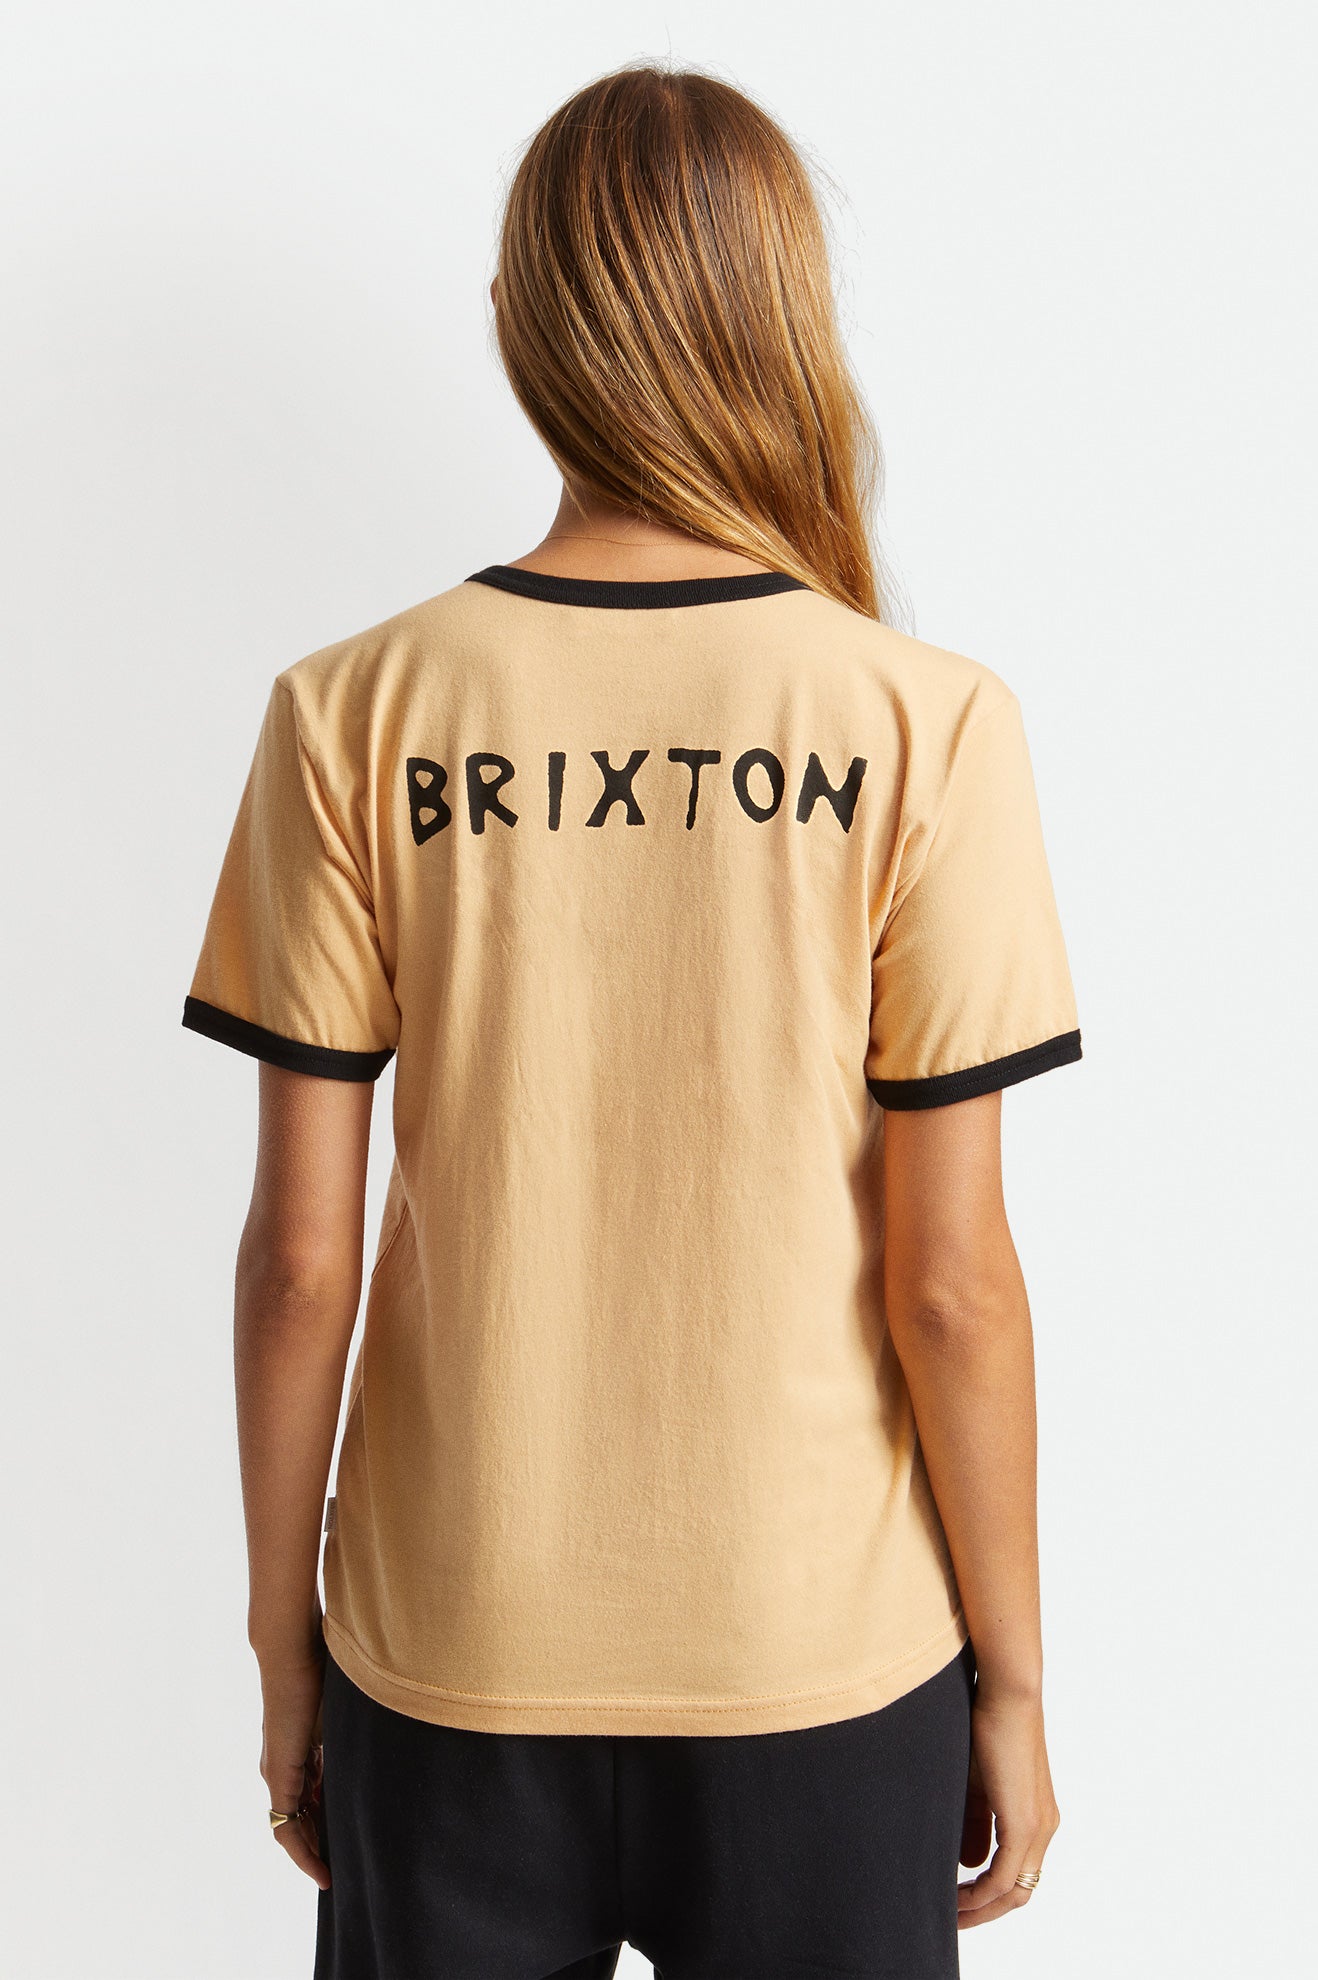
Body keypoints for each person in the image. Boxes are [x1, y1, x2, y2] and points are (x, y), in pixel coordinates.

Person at [182, 61, 1081, 1980]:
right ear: (784, 317)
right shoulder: (923, 723)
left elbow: (296, 1262)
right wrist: (1011, 1680)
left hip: (451, 1650)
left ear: (522, 323)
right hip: (818, 1660)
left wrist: (282, 1650)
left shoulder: (352, 711)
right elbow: (952, 1285)